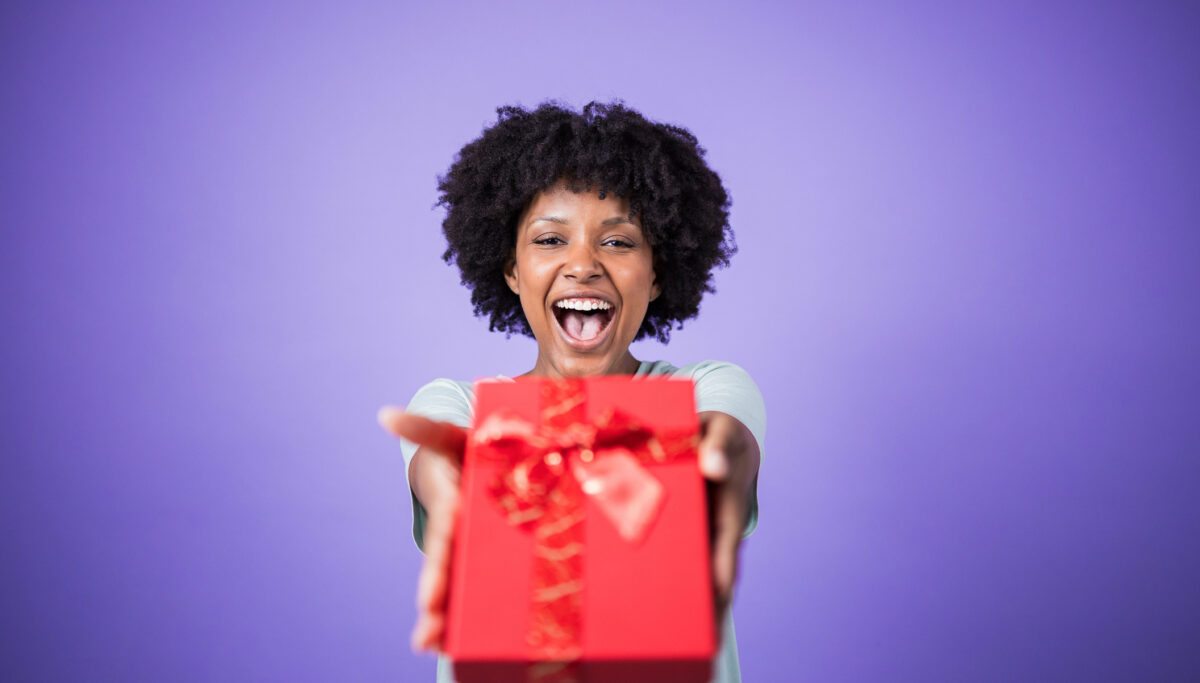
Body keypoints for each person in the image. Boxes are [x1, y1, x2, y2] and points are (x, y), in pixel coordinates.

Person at [378, 101, 765, 683]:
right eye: (551, 239)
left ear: (657, 275)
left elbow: (719, 456)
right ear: (512, 270)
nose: (582, 265)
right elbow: (445, 478)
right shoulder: (455, 404)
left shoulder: (706, 388)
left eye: (618, 242)